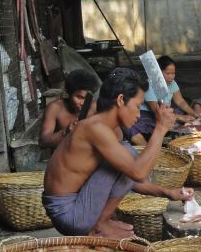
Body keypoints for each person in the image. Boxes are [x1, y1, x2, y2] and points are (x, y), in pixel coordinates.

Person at [42, 68, 193, 239]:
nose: (138, 115)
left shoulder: (109, 130)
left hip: (77, 205)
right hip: (69, 214)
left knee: (127, 156)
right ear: (121, 100)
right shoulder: (94, 128)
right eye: (137, 106)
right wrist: (160, 129)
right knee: (129, 153)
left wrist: (167, 192)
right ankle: (100, 224)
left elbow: (127, 177)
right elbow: (137, 173)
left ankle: (101, 222)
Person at [125, 55, 201, 146]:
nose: (171, 77)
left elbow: (180, 101)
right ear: (158, 72)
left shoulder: (172, 83)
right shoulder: (149, 85)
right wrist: (180, 117)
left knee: (179, 111)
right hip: (149, 114)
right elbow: (157, 110)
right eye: (167, 73)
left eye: (173, 73)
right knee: (132, 126)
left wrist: (193, 113)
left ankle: (176, 137)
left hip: (164, 110)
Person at [39, 69, 100, 149]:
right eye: (79, 97)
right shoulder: (55, 108)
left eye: (88, 98)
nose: (83, 103)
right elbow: (43, 141)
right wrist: (66, 132)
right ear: (68, 92)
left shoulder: (96, 107)